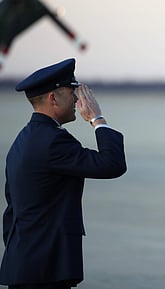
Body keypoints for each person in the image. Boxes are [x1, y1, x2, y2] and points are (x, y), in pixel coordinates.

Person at [0, 58, 127, 289]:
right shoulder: (52, 141)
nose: (77, 99)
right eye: (71, 92)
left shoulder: (22, 140)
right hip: (45, 271)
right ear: (53, 97)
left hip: (24, 265)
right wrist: (97, 119)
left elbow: (11, 211)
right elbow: (112, 164)